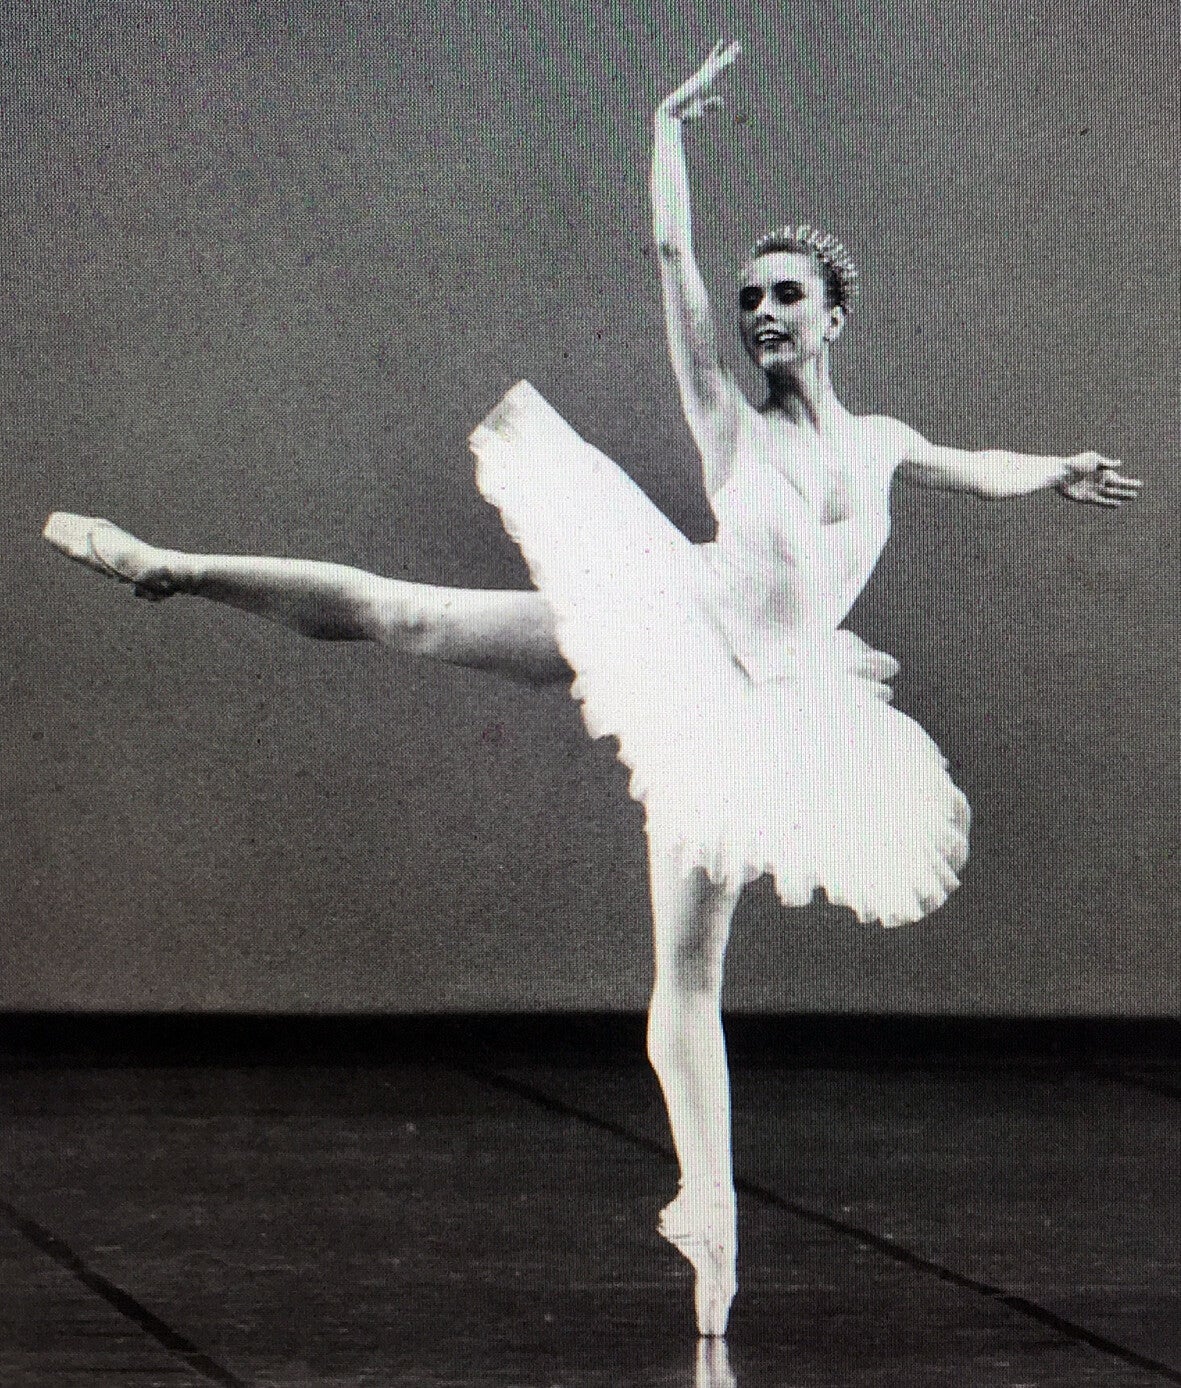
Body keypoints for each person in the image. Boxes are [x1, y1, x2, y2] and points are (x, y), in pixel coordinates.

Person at [42, 41, 1142, 1338]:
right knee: (411, 613)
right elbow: (674, 262)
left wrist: (1055, 468)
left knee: (688, 971)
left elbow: (977, 464)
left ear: (835, 317)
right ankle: (168, 568)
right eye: (753, 298)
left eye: (786, 296)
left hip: (773, 710)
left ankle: (709, 1220)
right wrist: (664, 126)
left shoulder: (883, 443)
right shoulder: (726, 419)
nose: (762, 313)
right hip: (671, 633)